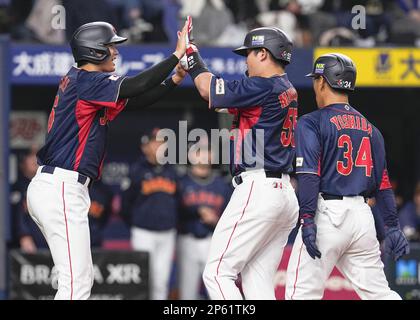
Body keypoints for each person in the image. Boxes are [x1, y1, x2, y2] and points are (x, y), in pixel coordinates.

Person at [26, 21, 189, 300]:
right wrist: (175, 55)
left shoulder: (86, 84)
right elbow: (137, 85)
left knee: (78, 279)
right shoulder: (87, 81)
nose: (115, 52)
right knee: (76, 284)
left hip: (57, 186)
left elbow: (137, 99)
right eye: (111, 46)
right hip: (61, 187)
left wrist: (173, 78)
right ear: (94, 51)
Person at [181, 25, 300, 299]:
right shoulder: (286, 87)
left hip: (258, 190)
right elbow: (224, 101)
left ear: (263, 53)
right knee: (257, 281)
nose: (245, 59)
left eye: (248, 53)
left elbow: (207, 89)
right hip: (283, 195)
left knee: (217, 272)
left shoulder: (263, 84)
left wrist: (190, 56)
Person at [285, 53, 410, 300]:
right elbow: (383, 183)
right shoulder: (371, 129)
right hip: (363, 218)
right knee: (380, 294)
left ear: (322, 82)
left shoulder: (311, 122)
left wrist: (307, 219)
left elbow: (309, 174)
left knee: (301, 294)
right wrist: (393, 225)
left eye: (316, 80)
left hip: (328, 215)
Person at [121, 128, 179, 300]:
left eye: (162, 141)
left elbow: (178, 202)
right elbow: (125, 203)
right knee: (144, 279)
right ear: (145, 146)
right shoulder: (137, 170)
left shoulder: (172, 170)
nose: (160, 145)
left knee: (161, 282)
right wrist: (136, 223)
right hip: (143, 232)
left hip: (167, 233)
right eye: (155, 141)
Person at [177, 146, 232, 300]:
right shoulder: (181, 182)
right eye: (199, 151)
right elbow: (174, 211)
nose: (205, 155)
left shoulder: (221, 184)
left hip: (213, 240)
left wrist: (217, 221)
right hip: (187, 239)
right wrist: (197, 210)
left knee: (216, 289)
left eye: (208, 151)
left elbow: (231, 215)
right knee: (187, 291)